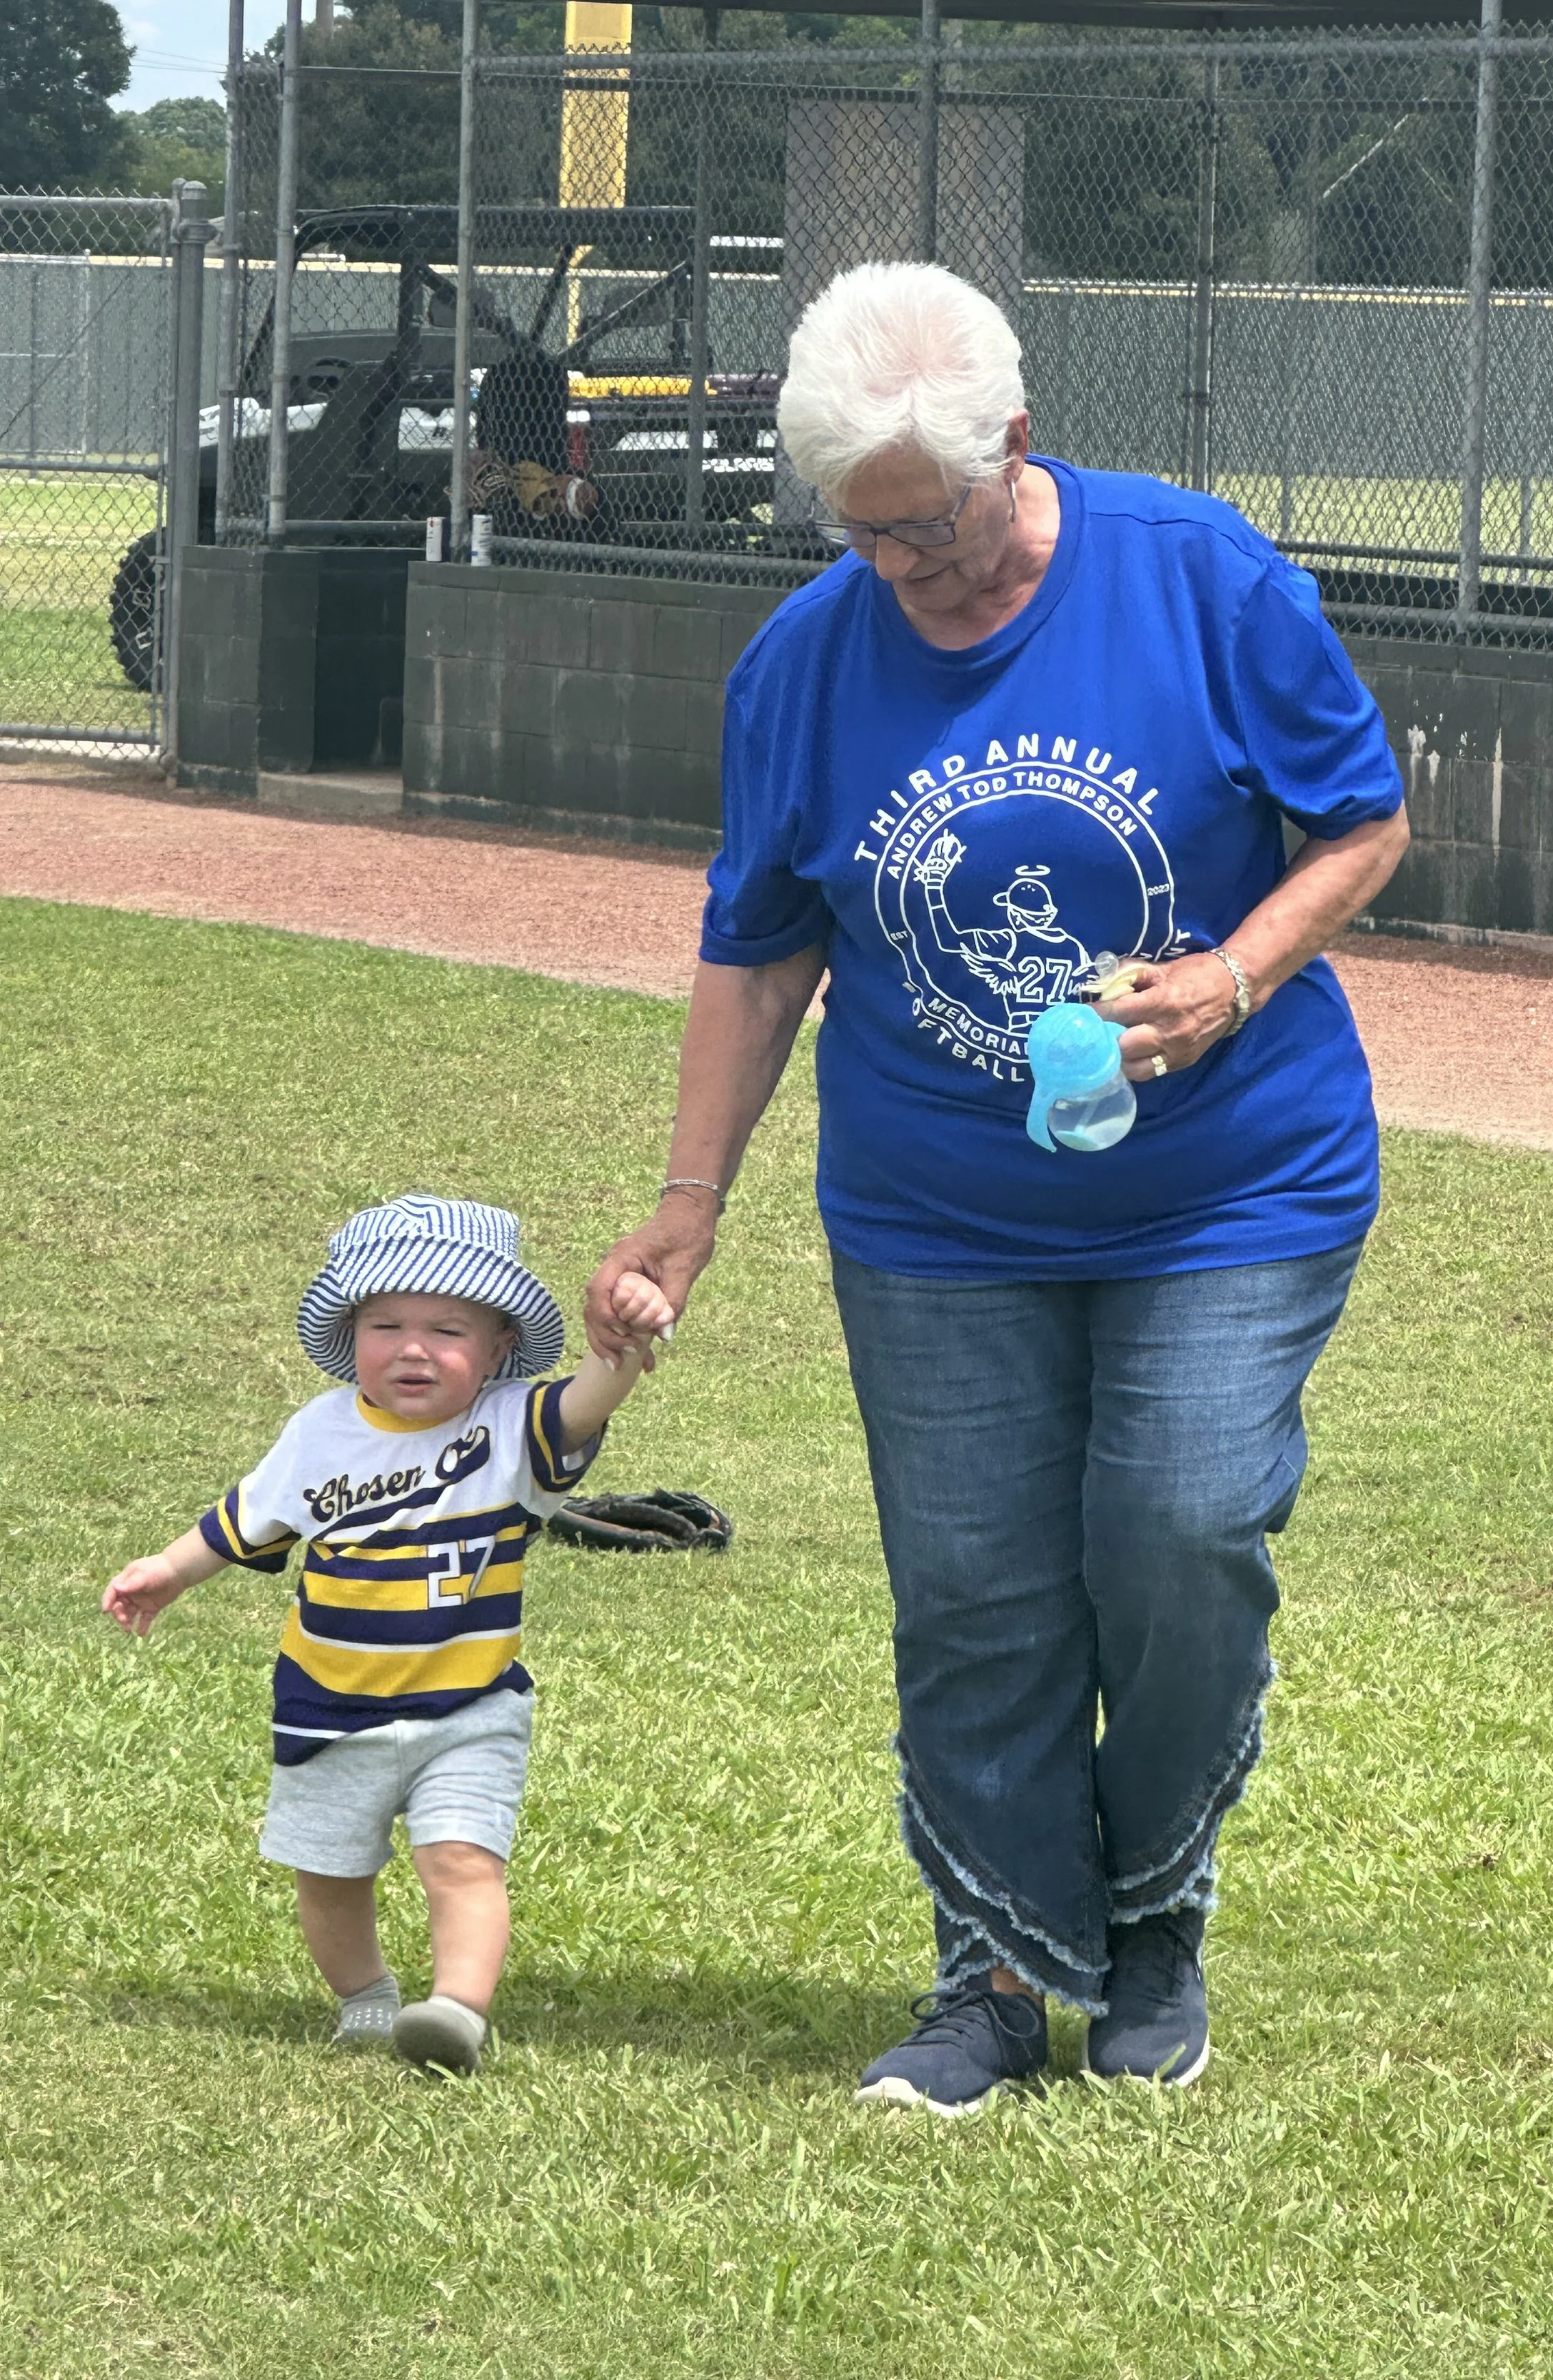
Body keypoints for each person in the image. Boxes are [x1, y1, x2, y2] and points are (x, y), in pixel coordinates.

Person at [586, 260, 1411, 2115]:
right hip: (935, 1215)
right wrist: (688, 1194)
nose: (912, 578)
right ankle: (992, 1971)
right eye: (869, 543)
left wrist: (1229, 976)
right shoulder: (805, 658)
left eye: (935, 534)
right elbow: (758, 941)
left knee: (1179, 1530)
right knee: (975, 1594)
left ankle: (1151, 1912)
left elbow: (1362, 818)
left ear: (1016, 445)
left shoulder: (1198, 576)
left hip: (1227, 1185)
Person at [102, 1194, 671, 2075]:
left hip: (469, 1706)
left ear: (497, 1350)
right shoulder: (320, 1432)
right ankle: (365, 1998)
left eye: (449, 1327)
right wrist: (167, 1574)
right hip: (329, 1709)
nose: (413, 1347)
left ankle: (456, 2012)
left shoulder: (513, 1426)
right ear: (351, 1335)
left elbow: (588, 1404)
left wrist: (625, 1347)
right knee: (330, 1877)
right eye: (386, 1324)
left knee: (461, 1860)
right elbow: (247, 1518)